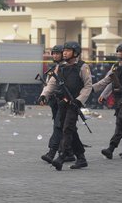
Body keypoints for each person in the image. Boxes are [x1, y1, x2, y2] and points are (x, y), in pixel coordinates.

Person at [39, 41, 92, 171]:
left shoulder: (82, 67)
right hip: (62, 103)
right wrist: (44, 95)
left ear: (75, 53)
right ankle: (81, 158)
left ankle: (61, 157)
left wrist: (79, 100)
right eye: (64, 51)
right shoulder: (60, 67)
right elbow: (52, 83)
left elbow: (87, 86)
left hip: (74, 104)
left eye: (68, 51)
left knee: (67, 129)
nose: (65, 53)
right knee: (70, 130)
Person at [40, 45, 75, 164]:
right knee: (67, 128)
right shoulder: (56, 67)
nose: (55, 55)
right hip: (56, 101)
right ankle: (69, 152)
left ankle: (52, 152)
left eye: (57, 53)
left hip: (67, 101)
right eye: (53, 53)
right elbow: (50, 84)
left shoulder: (68, 67)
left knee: (59, 126)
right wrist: (44, 95)